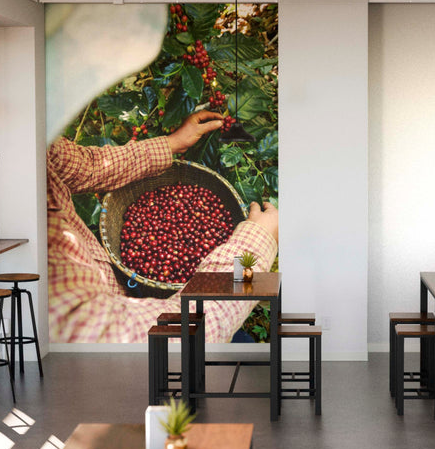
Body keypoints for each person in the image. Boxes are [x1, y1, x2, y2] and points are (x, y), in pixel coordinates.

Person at [48, 110, 278, 343]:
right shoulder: (55, 306)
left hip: (132, 288)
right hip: (180, 326)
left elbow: (81, 165)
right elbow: (194, 333)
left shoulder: (32, 147)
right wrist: (256, 246)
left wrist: (170, 144)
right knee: (249, 356)